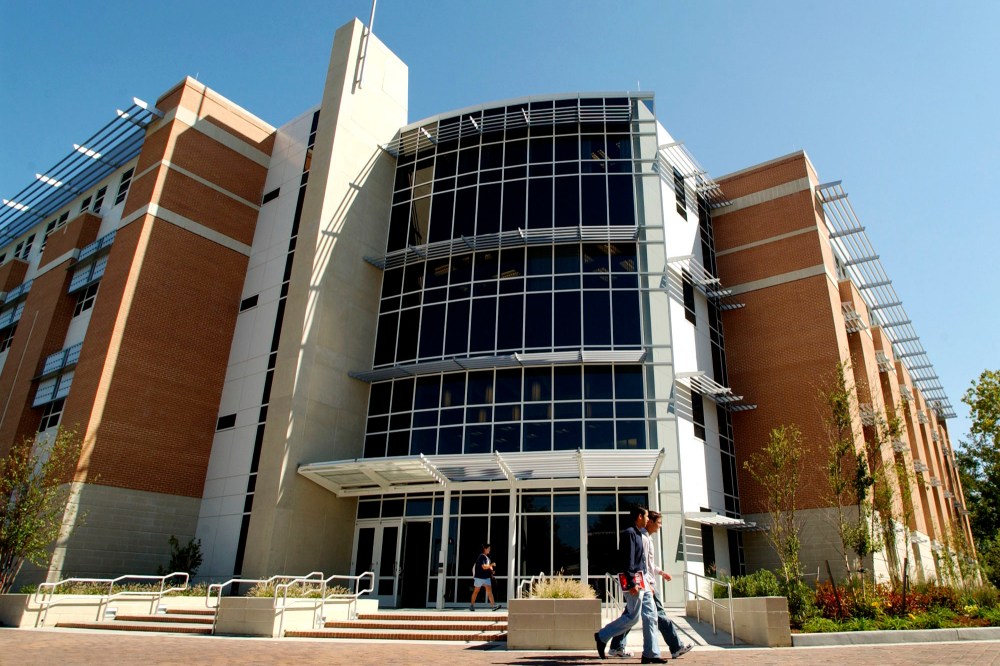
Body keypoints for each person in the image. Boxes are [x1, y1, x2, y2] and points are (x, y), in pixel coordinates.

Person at [608, 510, 693, 659]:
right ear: (650, 522)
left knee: (631, 615)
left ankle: (616, 646)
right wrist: (648, 585)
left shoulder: (647, 538)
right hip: (645, 583)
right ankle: (675, 647)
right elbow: (642, 566)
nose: (660, 526)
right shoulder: (642, 538)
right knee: (658, 615)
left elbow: (649, 564)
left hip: (646, 582)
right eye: (658, 522)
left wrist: (661, 572)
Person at [594, 506, 662, 663]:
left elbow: (642, 561)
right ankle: (602, 636)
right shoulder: (629, 533)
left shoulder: (639, 534)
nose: (648, 520)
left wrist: (648, 582)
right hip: (633, 581)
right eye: (646, 516)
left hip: (643, 580)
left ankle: (651, 654)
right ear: (639, 517)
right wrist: (632, 582)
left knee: (651, 616)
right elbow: (627, 560)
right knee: (633, 617)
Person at [470, 543, 501, 611]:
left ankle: (493, 606)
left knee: (489, 592)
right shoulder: (481, 556)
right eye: (488, 548)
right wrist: (491, 565)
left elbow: (488, 567)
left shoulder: (487, 558)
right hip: (479, 577)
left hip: (486, 578)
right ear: (485, 549)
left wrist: (492, 571)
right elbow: (484, 566)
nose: (489, 550)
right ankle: (472, 605)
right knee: (476, 591)